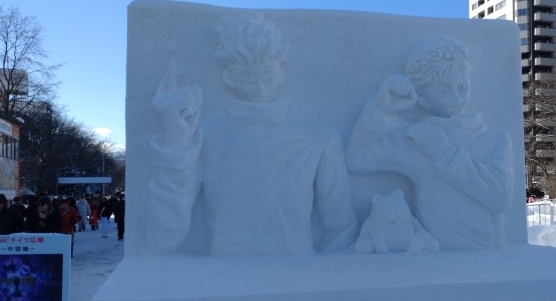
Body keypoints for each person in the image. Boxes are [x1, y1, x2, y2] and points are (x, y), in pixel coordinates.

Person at [148, 14, 357, 256]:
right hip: (225, 276)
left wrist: (320, 280)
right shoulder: (205, 135)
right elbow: (163, 238)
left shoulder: (319, 139)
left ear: (281, 74)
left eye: (266, 75)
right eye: (248, 77)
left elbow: (342, 229)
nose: (259, 86)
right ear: (229, 77)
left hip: (297, 277)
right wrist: (175, 144)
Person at [347, 35, 513, 250]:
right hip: (433, 256)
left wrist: (446, 155)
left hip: (483, 258)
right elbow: (357, 160)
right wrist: (384, 110)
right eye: (444, 90)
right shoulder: (417, 137)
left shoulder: (495, 140)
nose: (457, 98)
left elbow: (499, 199)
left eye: (462, 87)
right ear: (423, 97)